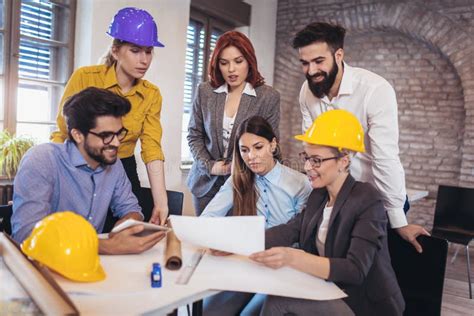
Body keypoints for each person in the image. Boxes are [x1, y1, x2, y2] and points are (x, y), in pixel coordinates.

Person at [250, 109, 405, 315]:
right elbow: (290, 230)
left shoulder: (368, 200)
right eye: (306, 157)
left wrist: (291, 258)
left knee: (278, 301)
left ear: (344, 160)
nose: (307, 167)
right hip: (328, 290)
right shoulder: (319, 196)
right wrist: (237, 243)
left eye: (316, 160)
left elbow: (355, 270)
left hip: (362, 304)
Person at [293, 22, 429, 252]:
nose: (311, 70)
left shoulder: (375, 90)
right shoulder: (307, 92)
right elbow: (313, 149)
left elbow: (385, 158)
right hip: (336, 194)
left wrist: (397, 219)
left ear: (338, 55)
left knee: (372, 271)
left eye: (318, 61)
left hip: (376, 197)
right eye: (305, 63)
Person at [50, 7, 168, 226]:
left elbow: (152, 149)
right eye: (135, 50)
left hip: (122, 168)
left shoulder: (151, 94)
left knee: (123, 234)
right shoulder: (85, 77)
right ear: (115, 51)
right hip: (81, 166)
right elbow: (63, 133)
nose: (144, 60)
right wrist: (54, 179)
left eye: (149, 51)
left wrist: (161, 202)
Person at [12, 87, 165, 255]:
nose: (116, 143)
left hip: (89, 264)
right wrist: (107, 246)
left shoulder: (114, 164)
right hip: (42, 265)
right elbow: (26, 236)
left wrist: (125, 228)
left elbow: (132, 210)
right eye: (106, 135)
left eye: (119, 133)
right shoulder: (42, 160)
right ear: (78, 135)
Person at [201, 116, 312, 315]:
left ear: (273, 145)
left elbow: (301, 238)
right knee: (209, 311)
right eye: (244, 150)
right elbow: (208, 217)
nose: (251, 156)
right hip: (247, 262)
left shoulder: (301, 183)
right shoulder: (237, 181)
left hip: (284, 267)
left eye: (258, 147)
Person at [187, 30, 280, 216]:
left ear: (249, 62)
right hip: (206, 184)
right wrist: (210, 165)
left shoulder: (268, 97)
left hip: (245, 187)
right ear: (217, 64)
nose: (231, 69)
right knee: (205, 241)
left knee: (236, 243)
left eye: (238, 61)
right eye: (224, 63)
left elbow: (272, 143)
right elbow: (194, 135)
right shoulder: (205, 91)